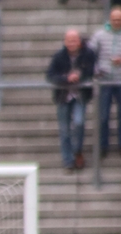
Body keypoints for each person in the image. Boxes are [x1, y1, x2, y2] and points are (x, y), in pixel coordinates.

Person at [89, 5, 121, 160]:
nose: (116, 22)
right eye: (114, 19)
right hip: (104, 82)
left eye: (119, 19)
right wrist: (97, 70)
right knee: (103, 116)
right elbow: (90, 55)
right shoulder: (99, 35)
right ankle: (102, 146)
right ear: (109, 20)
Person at [46, 29, 97, 171]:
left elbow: (92, 70)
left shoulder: (88, 54)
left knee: (79, 122)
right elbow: (50, 75)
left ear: (79, 41)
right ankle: (67, 160)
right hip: (63, 96)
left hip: (80, 95)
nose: (71, 43)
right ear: (65, 42)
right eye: (69, 41)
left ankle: (77, 150)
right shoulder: (58, 56)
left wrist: (80, 75)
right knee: (64, 129)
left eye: (74, 40)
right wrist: (66, 78)